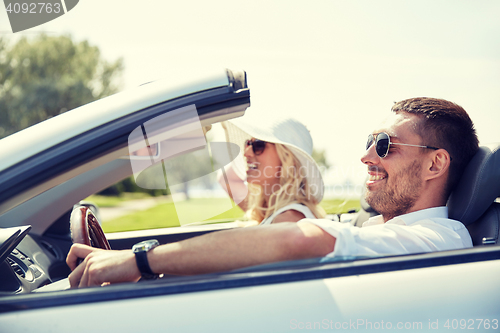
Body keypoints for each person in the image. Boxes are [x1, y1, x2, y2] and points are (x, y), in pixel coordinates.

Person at [67, 97, 479, 288]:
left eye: (385, 145)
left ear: (435, 163)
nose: (366, 156)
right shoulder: (379, 227)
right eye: (369, 141)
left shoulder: (442, 239)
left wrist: (139, 260)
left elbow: (299, 239)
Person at [218, 118, 325, 225]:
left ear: (288, 157)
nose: (246, 153)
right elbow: (226, 177)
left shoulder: (289, 218)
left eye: (259, 145)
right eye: (248, 144)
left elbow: (226, 178)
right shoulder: (274, 211)